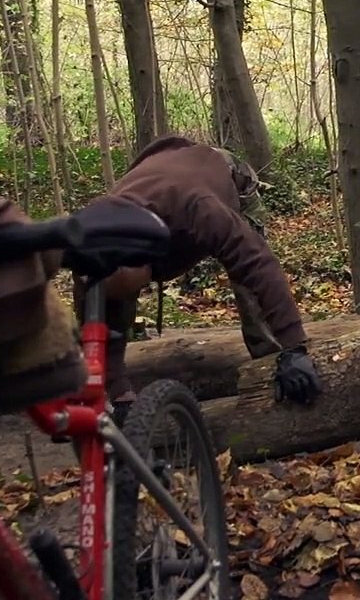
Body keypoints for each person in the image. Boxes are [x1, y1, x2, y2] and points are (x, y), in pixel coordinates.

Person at [75, 135, 322, 422]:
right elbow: (101, 324)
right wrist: (120, 394)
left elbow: (259, 265)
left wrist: (294, 348)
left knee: (248, 287)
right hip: (160, 172)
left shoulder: (200, 209)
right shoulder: (89, 246)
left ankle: (270, 365)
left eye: (140, 285)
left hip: (223, 172)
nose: (141, 290)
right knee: (114, 304)